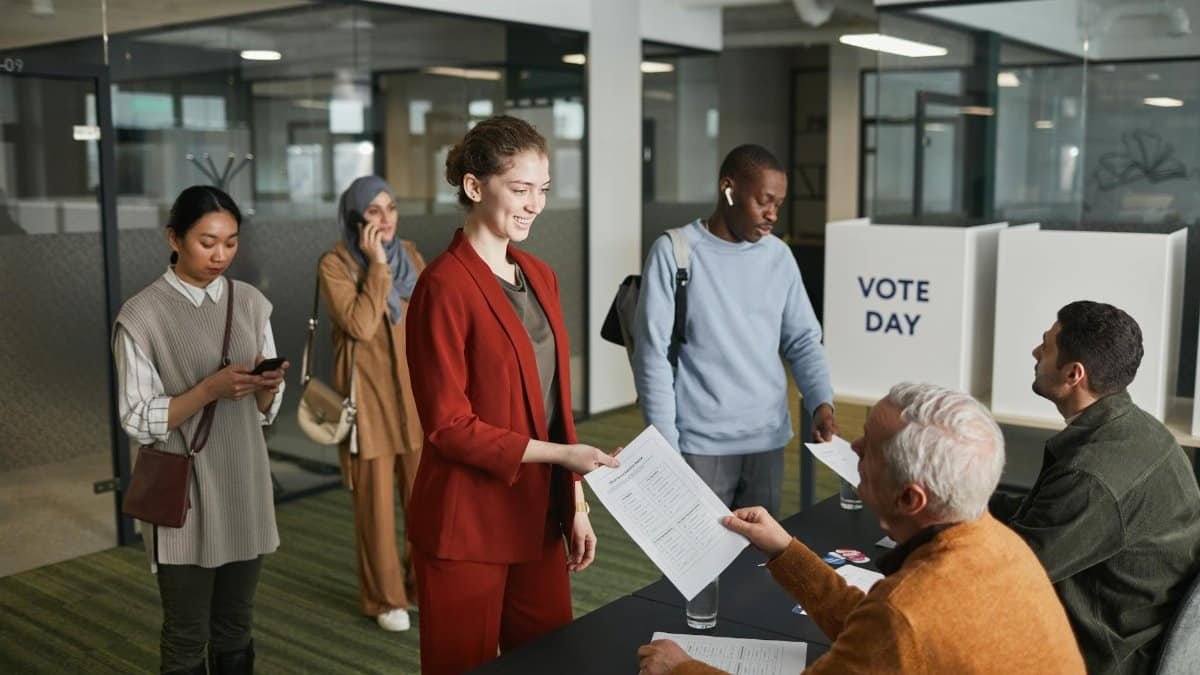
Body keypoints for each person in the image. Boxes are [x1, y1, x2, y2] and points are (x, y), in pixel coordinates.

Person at [638, 383, 1085, 675]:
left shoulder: (907, 612)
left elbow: (894, 626)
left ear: (910, 499)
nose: (852, 447)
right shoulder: (1000, 544)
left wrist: (682, 669)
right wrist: (785, 552)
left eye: (869, 447)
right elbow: (878, 629)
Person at [404, 115, 619, 675]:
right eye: (519, 189)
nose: (534, 205)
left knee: (552, 662)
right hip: (468, 523)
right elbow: (448, 425)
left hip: (537, 514)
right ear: (475, 187)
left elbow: (552, 408)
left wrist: (573, 502)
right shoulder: (443, 286)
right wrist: (563, 461)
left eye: (542, 190)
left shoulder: (539, 275)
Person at [113, 185, 287, 675]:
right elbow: (137, 417)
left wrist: (267, 387)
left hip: (245, 481)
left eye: (230, 243)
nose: (220, 255)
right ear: (174, 237)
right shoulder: (141, 314)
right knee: (187, 631)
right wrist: (207, 390)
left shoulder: (252, 302)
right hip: (184, 493)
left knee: (236, 624)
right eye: (207, 241)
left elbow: (263, 413)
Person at [990, 301, 1200, 674]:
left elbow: (1012, 571)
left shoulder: (1091, 477)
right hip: (1134, 630)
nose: (1036, 353)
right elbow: (1042, 518)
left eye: (1046, 346)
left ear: (1074, 374)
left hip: (1102, 656)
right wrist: (966, 502)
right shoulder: (1140, 429)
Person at [632, 144, 836, 516]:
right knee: (697, 565)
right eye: (764, 201)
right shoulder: (675, 252)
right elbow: (653, 356)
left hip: (767, 439)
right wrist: (664, 445)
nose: (773, 214)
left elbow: (803, 340)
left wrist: (821, 400)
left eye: (779, 204)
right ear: (729, 189)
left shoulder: (778, 256)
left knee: (762, 562)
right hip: (699, 443)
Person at [319, 176, 425, 632]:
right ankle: (386, 599)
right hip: (369, 403)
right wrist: (378, 266)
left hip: (418, 398)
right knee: (376, 510)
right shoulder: (335, 263)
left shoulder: (413, 256)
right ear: (355, 217)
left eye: (391, 209)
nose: (385, 220)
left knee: (426, 501)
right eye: (374, 212)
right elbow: (361, 324)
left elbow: (430, 319)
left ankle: (424, 587)